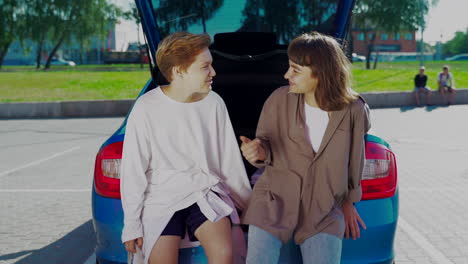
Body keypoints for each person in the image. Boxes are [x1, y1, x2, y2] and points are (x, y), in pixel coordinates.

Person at [120, 32, 252, 264]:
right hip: (160, 197)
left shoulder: (214, 103)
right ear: (179, 70)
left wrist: (249, 208)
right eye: (206, 66)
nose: (213, 72)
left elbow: (229, 164)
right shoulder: (146, 107)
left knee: (224, 255)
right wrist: (131, 224)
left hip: (205, 193)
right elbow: (133, 170)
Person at [240, 32, 370, 264]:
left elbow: (355, 160)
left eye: (295, 70)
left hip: (324, 210)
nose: (286, 74)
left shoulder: (354, 110)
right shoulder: (278, 99)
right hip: (272, 204)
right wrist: (258, 152)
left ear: (321, 72)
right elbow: (265, 144)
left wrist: (349, 202)